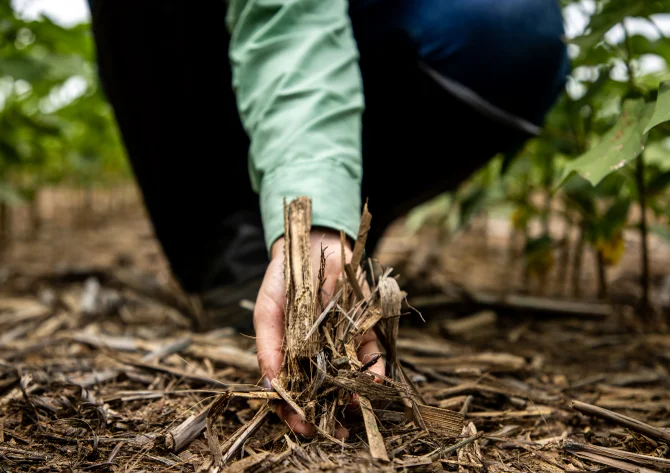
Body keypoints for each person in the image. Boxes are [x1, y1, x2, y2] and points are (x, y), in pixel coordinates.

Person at [87, 0, 569, 435]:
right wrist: (308, 218)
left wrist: (325, 223)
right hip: (202, 47)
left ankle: (347, 241)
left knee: (512, 29)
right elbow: (287, 18)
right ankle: (222, 239)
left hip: (350, 28)